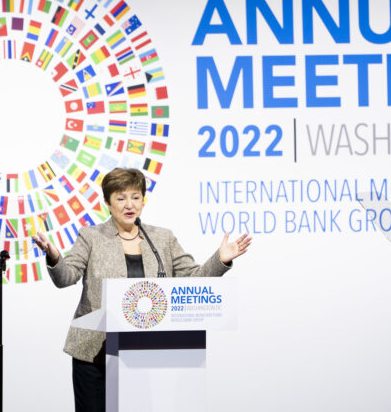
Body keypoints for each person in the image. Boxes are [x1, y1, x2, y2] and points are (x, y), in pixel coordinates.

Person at [31, 167, 251, 411]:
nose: (129, 205)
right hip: (95, 353)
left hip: (144, 354)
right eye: (120, 197)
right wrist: (53, 256)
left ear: (143, 201)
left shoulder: (162, 238)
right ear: (108, 203)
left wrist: (219, 258)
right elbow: (66, 277)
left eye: (136, 197)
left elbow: (192, 278)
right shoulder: (91, 236)